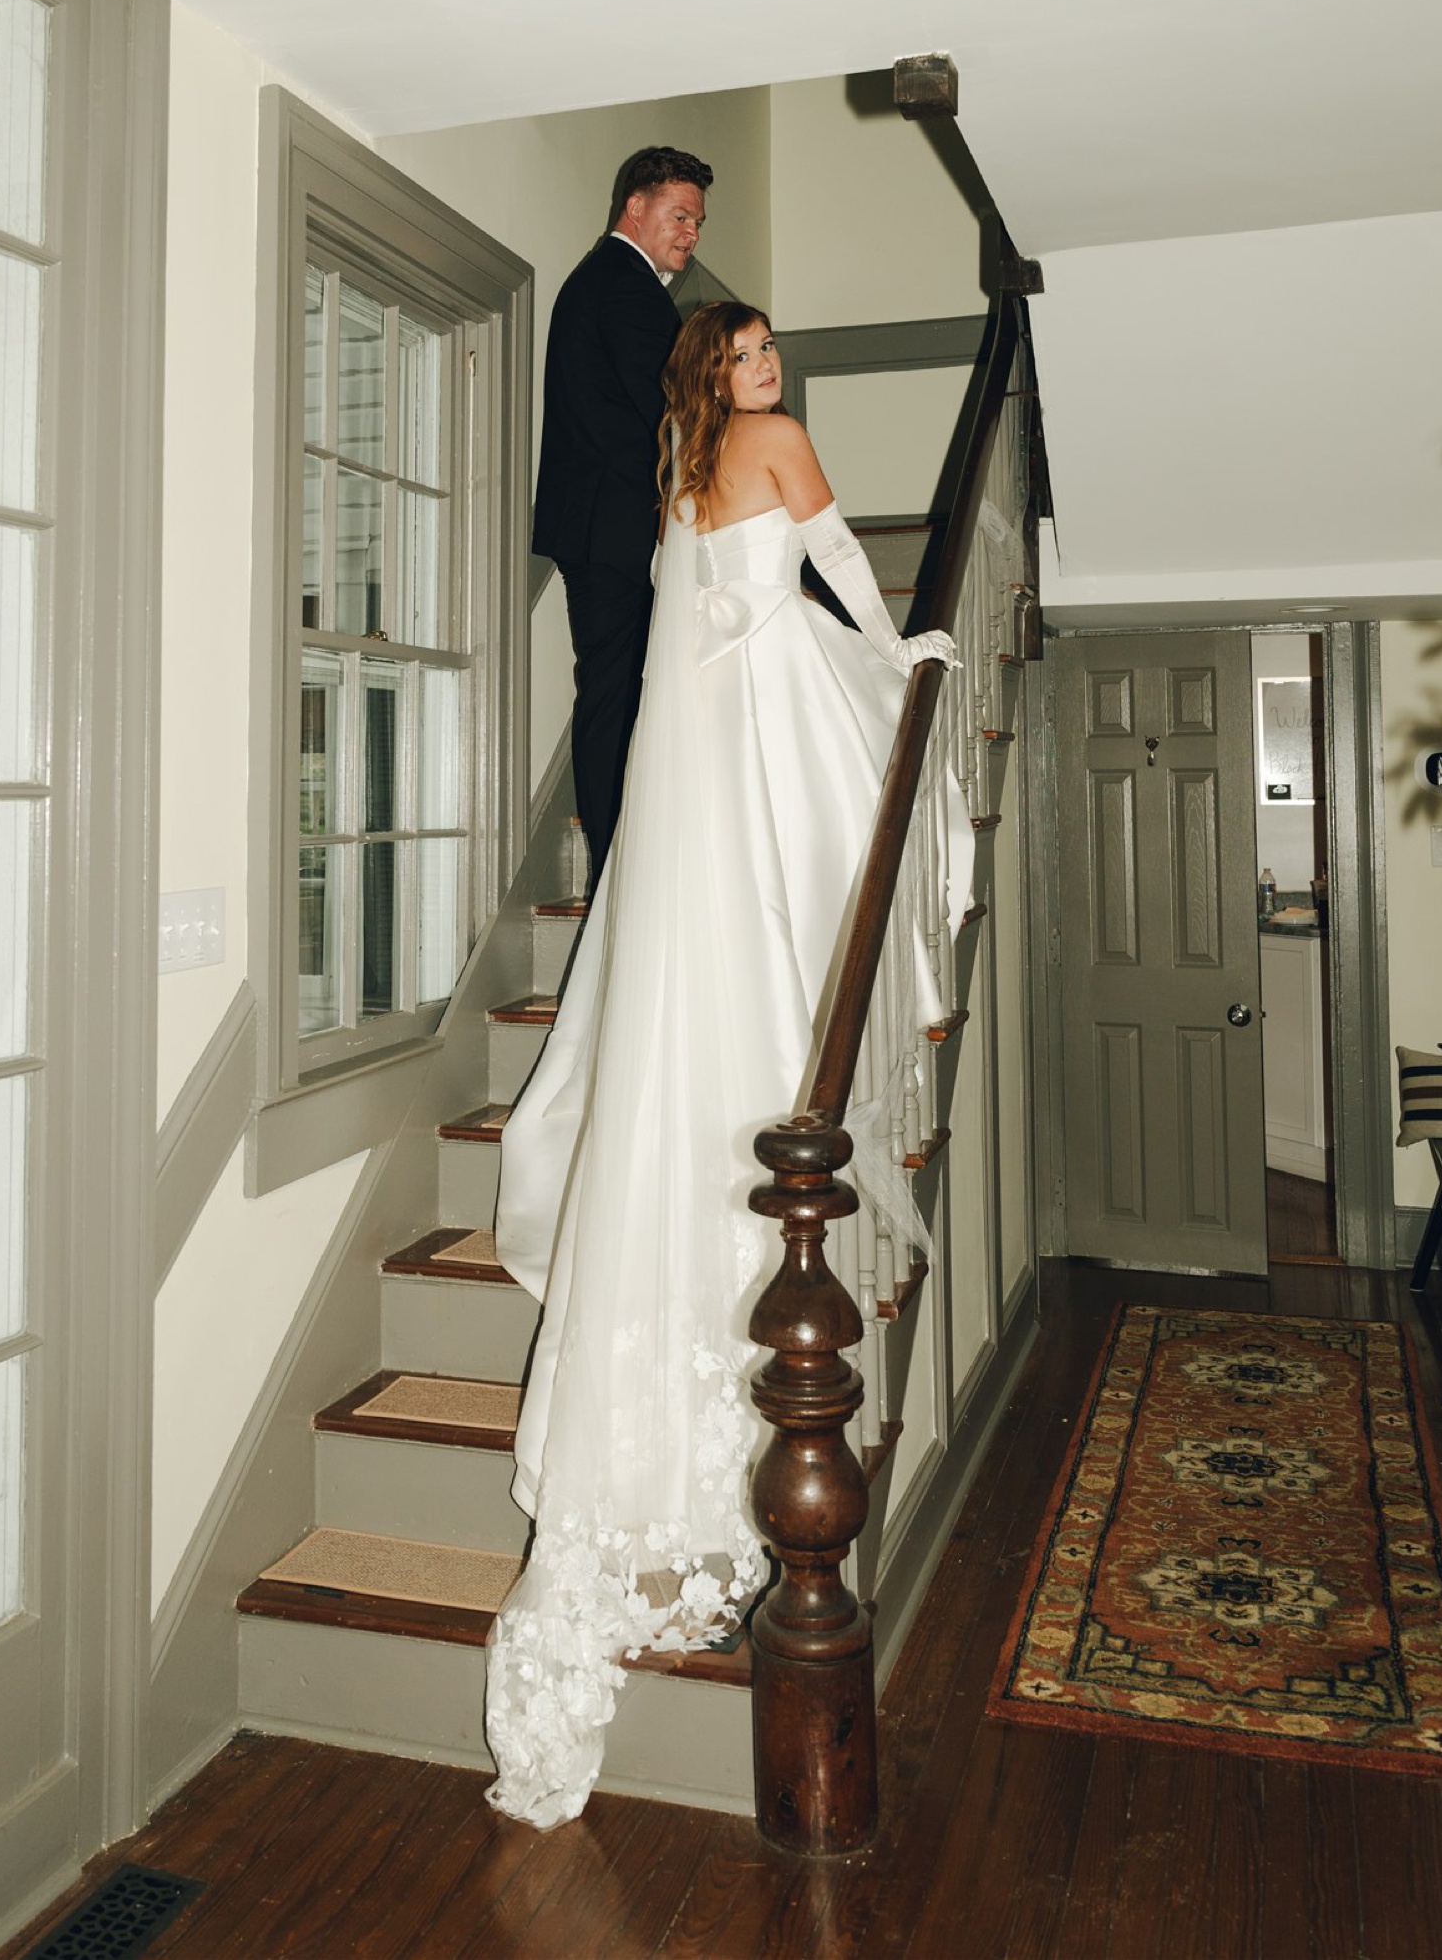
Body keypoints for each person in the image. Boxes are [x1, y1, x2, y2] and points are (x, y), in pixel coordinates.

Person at [485, 303, 974, 1831]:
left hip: (691, 767)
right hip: (747, 736)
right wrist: (909, 659)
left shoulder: (682, 467)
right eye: (755, 353)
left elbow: (700, 609)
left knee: (712, 976)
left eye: (773, 354)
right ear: (729, 375)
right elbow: (840, 574)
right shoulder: (773, 445)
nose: (773, 370)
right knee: (821, 870)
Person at [531, 148, 713, 889]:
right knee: (614, 696)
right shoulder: (628, 289)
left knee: (614, 692)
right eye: (680, 215)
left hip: (599, 527)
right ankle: (614, 868)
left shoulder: (597, 283)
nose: (692, 232)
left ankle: (620, 860)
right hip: (615, 530)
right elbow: (673, 416)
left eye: (698, 221)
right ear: (634, 207)